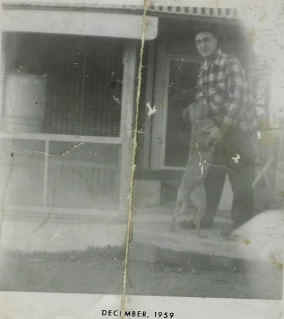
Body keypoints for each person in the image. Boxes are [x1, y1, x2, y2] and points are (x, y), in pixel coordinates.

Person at [182, 27, 257, 232]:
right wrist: (193, 110)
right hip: (216, 129)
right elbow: (204, 102)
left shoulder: (230, 63)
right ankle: (205, 219)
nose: (202, 45)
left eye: (206, 40)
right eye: (198, 42)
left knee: (240, 177)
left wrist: (221, 129)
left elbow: (238, 100)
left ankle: (242, 226)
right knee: (211, 175)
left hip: (238, 130)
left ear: (217, 41)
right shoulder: (204, 68)